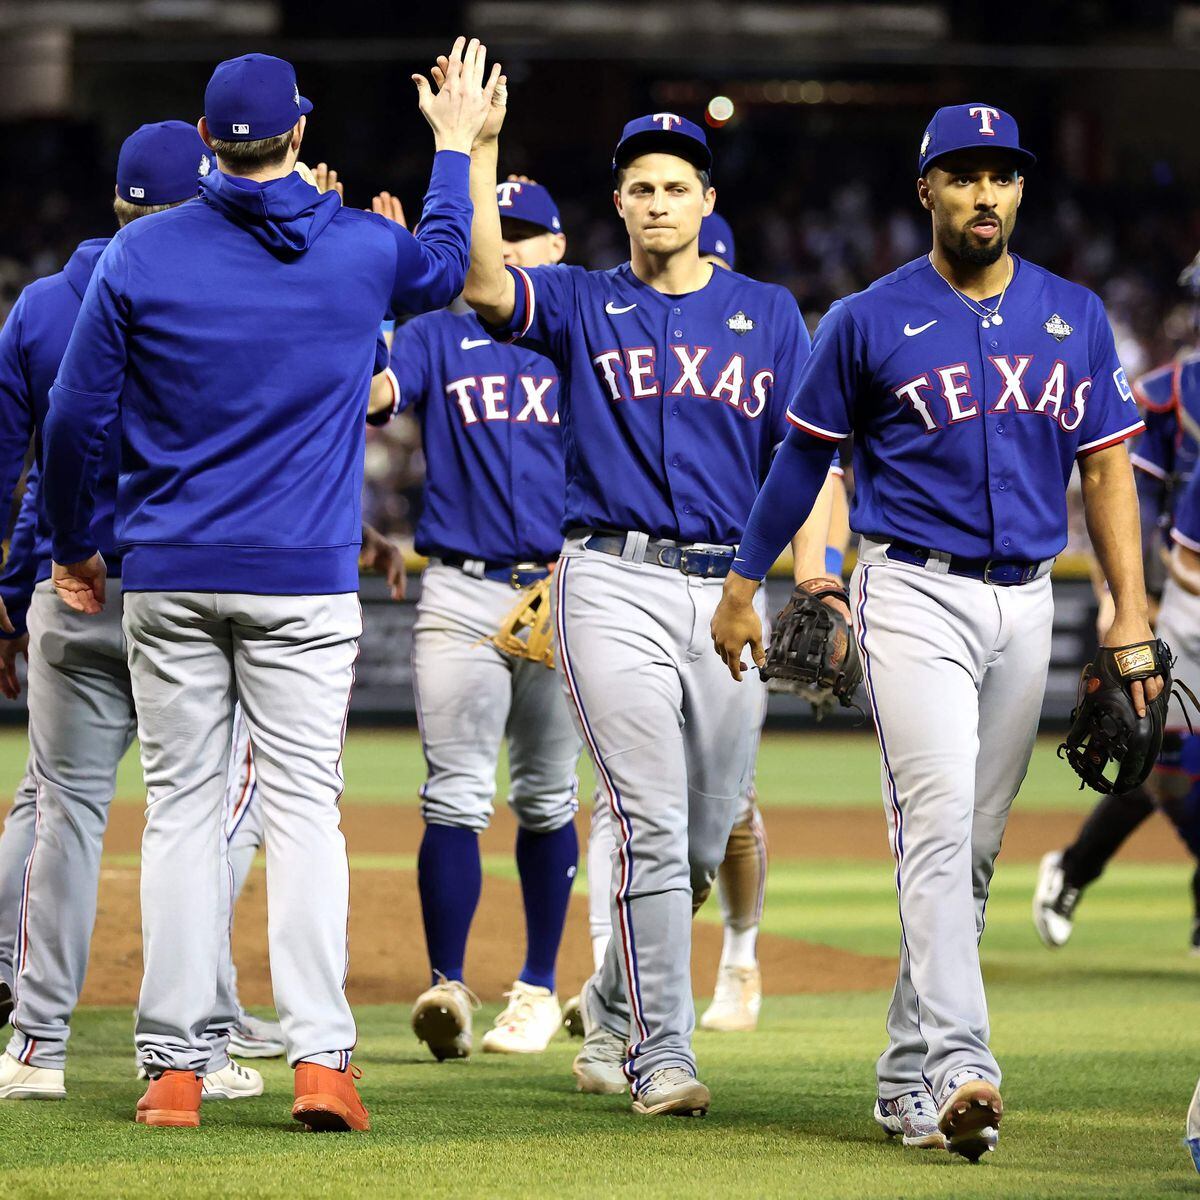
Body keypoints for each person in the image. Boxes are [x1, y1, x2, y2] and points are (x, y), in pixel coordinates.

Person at [37, 42, 496, 1131]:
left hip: (170, 574)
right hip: (303, 580)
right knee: (302, 817)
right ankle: (323, 1060)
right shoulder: (355, 249)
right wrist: (452, 143)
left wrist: (74, 542)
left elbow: (70, 419)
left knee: (186, 817)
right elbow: (442, 264)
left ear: (205, 142)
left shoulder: (140, 257)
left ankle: (175, 1071)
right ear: (301, 132)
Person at [711, 103, 1158, 1159]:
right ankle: (965, 1062)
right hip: (909, 590)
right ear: (927, 191)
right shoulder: (867, 319)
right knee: (938, 821)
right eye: (964, 176)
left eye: (1002, 176)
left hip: (1026, 599)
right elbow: (802, 460)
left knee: (974, 852)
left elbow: (1105, 469)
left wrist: (1130, 611)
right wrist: (747, 580)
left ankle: (906, 1076)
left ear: (1020, 191)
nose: (986, 194)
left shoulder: (1074, 312)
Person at [459, 66, 835, 1115]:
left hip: (728, 591)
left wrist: (819, 578)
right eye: (642, 186)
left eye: (678, 185)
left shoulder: (767, 315)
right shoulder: (581, 299)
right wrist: (478, 150)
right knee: (650, 818)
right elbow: (487, 286)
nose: (660, 200)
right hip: (611, 579)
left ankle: (611, 1008)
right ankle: (661, 1054)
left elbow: (809, 464)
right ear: (618, 202)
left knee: (707, 835)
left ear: (708, 202)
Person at [0, 122, 268, 1102]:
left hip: (63, 591)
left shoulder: (37, 305)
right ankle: (195, 1046)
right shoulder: (216, 291)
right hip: (181, 589)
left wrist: (9, 591)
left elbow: (7, 468)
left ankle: (34, 1047)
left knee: (59, 813)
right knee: (195, 821)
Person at [392, 178, 583, 1060]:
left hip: (563, 587)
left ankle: (540, 987)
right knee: (454, 794)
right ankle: (448, 985)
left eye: (523, 233)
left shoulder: (588, 332)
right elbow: (375, 393)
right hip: (462, 590)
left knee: (546, 796)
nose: (502, 245)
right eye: (488, 231)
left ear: (558, 247)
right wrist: (374, 303)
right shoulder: (436, 332)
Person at [1033, 287, 1200, 950]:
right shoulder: (1172, 391)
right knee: (1159, 759)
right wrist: (1126, 597)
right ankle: (1074, 868)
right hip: (1183, 593)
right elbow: (1125, 496)